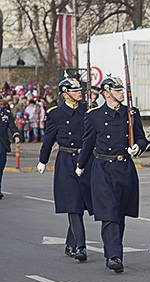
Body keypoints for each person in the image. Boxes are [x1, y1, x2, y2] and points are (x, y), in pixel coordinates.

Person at [76, 75, 147, 273]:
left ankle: (114, 249)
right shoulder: (94, 115)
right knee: (109, 214)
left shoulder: (131, 113)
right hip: (103, 169)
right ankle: (114, 255)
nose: (122, 93)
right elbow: (88, 142)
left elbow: (142, 138)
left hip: (124, 168)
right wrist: (80, 165)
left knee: (119, 214)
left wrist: (137, 148)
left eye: (122, 89)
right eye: (117, 90)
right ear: (106, 94)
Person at [37, 77, 94, 261]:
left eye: (80, 89)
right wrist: (42, 160)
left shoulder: (88, 110)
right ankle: (80, 246)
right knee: (73, 205)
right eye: (75, 90)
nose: (80, 92)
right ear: (65, 94)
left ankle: (70, 243)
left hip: (86, 160)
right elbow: (48, 140)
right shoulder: (56, 114)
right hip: (66, 161)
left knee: (82, 204)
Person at [0, 100, 20, 199]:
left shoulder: (6, 114)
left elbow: (12, 126)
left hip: (2, 144)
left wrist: (16, 136)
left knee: (0, 168)